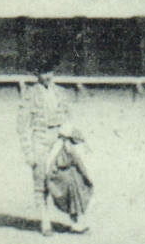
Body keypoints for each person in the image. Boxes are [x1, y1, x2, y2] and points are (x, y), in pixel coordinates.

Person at [16, 63, 92, 235]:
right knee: (41, 180)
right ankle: (45, 220)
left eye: (49, 71)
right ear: (36, 74)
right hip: (40, 139)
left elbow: (68, 116)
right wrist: (28, 153)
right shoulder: (29, 94)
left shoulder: (60, 92)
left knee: (70, 177)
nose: (47, 76)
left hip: (59, 137)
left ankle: (75, 221)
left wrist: (70, 134)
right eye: (43, 72)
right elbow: (22, 126)